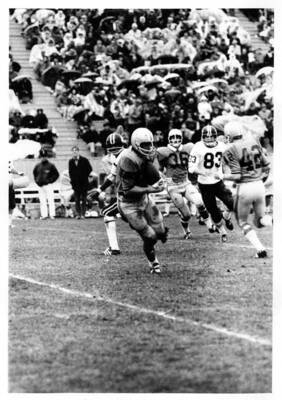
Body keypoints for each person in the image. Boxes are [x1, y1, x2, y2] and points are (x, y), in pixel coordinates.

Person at [116, 127, 168, 274]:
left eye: (150, 144)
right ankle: (154, 263)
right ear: (136, 144)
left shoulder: (145, 155)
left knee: (160, 230)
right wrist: (151, 189)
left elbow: (153, 173)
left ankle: (152, 234)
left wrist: (159, 181)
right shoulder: (128, 159)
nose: (149, 148)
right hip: (128, 203)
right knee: (150, 236)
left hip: (143, 198)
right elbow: (128, 189)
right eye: (145, 145)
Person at [222, 121, 272, 258]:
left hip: (245, 187)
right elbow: (267, 165)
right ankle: (270, 220)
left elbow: (237, 175)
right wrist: (260, 178)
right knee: (259, 221)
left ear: (229, 135)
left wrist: (222, 175)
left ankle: (260, 249)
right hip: (260, 186)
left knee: (242, 221)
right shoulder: (253, 141)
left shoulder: (229, 149)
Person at [156, 129, 214, 239]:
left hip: (186, 183)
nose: (175, 139)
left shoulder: (188, 148)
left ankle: (210, 225)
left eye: (177, 137)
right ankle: (186, 230)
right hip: (173, 187)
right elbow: (158, 168)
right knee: (186, 215)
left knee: (200, 202)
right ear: (169, 139)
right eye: (172, 138)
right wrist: (163, 177)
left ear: (181, 138)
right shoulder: (163, 151)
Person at [188, 125, 234, 242]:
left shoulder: (222, 146)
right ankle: (223, 232)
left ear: (215, 137)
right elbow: (191, 168)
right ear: (202, 137)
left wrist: (225, 172)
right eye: (206, 137)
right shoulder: (197, 147)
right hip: (204, 184)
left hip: (218, 182)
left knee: (231, 202)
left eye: (211, 137)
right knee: (213, 210)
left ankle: (226, 217)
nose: (208, 139)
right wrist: (202, 172)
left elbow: (230, 159)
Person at [87, 132, 125, 255]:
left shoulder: (119, 158)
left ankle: (114, 248)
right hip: (140, 191)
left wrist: (99, 190)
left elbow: (112, 177)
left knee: (107, 213)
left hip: (127, 194)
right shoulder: (130, 154)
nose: (113, 152)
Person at [33, 149, 59, 219]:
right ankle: (44, 215)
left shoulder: (51, 165)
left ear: (47, 156)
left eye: (44, 156)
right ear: (40, 157)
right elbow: (35, 174)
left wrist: (50, 181)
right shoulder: (37, 166)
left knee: (50, 200)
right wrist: (37, 181)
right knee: (42, 201)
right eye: (42, 156)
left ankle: (52, 214)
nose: (43, 158)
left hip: (48, 185)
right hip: (40, 186)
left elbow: (56, 175)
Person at [68, 146, 92, 219]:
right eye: (73, 151)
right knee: (77, 199)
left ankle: (83, 214)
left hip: (83, 183)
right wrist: (72, 181)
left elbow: (90, 169)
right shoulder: (71, 161)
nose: (74, 152)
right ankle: (78, 214)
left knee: (84, 199)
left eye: (76, 151)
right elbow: (70, 172)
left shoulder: (84, 160)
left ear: (78, 151)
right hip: (75, 184)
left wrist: (84, 175)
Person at [9, 160, 24, 227]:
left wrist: (18, 172)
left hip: (10, 185)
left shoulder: (9, 159)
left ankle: (9, 223)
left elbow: (10, 169)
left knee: (11, 205)